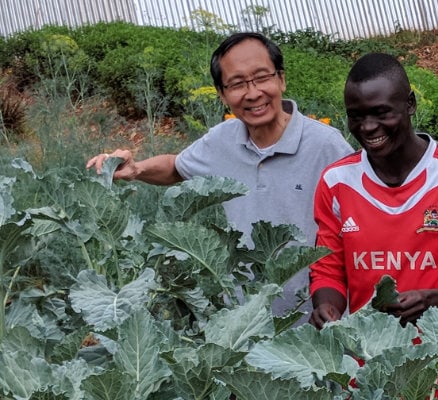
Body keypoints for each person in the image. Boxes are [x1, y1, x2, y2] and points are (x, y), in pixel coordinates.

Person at [85, 32, 353, 320]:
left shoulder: (327, 145)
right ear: (222, 95)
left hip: (318, 320)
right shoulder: (222, 140)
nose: (252, 93)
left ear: (281, 80)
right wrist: (136, 169)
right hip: (243, 325)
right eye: (237, 84)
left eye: (262, 77)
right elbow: (177, 167)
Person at [308, 52, 438, 399]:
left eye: (381, 113)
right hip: (364, 373)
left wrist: (434, 299)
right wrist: (326, 304)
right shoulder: (336, 182)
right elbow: (328, 270)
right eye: (356, 116)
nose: (367, 128)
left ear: (409, 104)